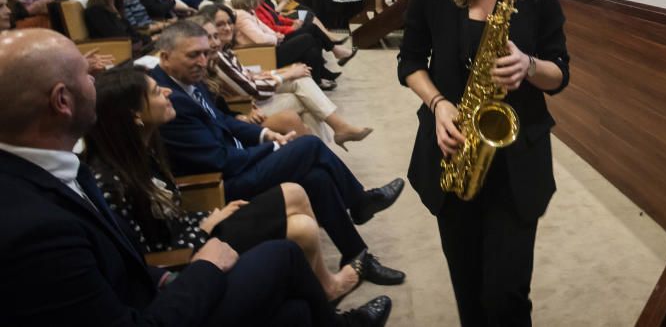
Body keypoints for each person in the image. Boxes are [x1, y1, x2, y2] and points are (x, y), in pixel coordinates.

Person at [0, 28, 394, 326]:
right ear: (62, 101)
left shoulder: (68, 169)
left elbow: (129, 257)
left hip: (176, 256)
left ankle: (352, 255)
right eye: (87, 75)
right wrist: (201, 261)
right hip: (183, 257)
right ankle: (355, 220)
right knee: (293, 222)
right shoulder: (36, 224)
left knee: (294, 306)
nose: (97, 82)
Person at [399, 0, 571, 326]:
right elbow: (410, 62)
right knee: (470, 293)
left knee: (508, 295)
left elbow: (561, 73)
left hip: (518, 161)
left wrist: (529, 66)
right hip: (452, 151)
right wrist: (438, 104)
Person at [151, 21, 407, 286]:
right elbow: (219, 160)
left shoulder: (188, 79)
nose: (203, 61)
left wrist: (265, 135)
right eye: (193, 54)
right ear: (166, 56)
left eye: (205, 53)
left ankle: (357, 256)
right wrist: (272, 148)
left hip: (237, 159)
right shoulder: (169, 99)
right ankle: (359, 201)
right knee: (308, 146)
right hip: (218, 185)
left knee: (317, 176)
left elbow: (224, 121)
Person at [84, 67, 360, 303]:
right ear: (135, 115)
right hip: (189, 254)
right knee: (302, 216)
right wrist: (203, 227)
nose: (167, 93)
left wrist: (206, 217)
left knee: (301, 190)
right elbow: (147, 259)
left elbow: (171, 211)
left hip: (197, 227)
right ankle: (327, 284)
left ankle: (325, 287)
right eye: (157, 92)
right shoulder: (110, 181)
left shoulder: (144, 149)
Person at [204, 3, 372, 150]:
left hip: (252, 92)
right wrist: (286, 74)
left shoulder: (225, 51)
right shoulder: (216, 56)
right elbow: (251, 89)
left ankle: (326, 143)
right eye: (220, 25)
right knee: (305, 96)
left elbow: (249, 76)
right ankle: (325, 145)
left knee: (303, 76)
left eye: (228, 23)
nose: (227, 28)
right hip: (246, 107)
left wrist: (281, 72)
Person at [230, 0, 341, 89]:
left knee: (311, 40)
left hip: (270, 47)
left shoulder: (249, 11)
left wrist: (277, 35)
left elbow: (266, 29)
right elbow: (260, 39)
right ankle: (326, 64)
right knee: (308, 38)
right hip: (263, 54)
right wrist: (276, 37)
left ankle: (318, 78)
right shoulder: (242, 16)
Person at [84, 0, 152, 54]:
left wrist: (151, 39)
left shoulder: (116, 7)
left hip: (133, 50)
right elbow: (120, 39)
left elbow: (133, 34)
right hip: (117, 56)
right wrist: (146, 40)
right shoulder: (95, 11)